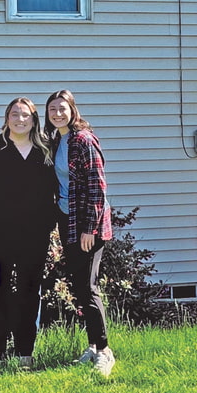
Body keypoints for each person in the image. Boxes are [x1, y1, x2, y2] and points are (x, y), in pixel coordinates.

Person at [0, 97, 58, 367]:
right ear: (7, 117)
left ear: (34, 119)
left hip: (35, 235)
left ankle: (25, 351)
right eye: (15, 114)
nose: (20, 119)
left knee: (29, 290)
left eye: (26, 115)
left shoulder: (46, 150)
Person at [45, 89, 115, 378]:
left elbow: (98, 187)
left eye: (63, 108)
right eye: (52, 109)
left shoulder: (83, 140)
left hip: (88, 225)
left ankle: (105, 351)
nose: (58, 113)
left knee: (88, 288)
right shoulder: (57, 140)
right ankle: (91, 345)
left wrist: (90, 228)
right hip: (68, 221)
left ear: (73, 110)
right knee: (79, 286)